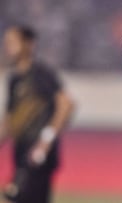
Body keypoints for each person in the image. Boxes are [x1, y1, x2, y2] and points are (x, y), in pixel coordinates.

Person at [0, 25, 74, 203]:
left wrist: (45, 141)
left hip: (38, 155)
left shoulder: (41, 74)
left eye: (12, 42)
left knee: (21, 195)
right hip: (21, 150)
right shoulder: (14, 79)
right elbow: (10, 119)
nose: (7, 47)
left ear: (28, 44)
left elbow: (65, 104)